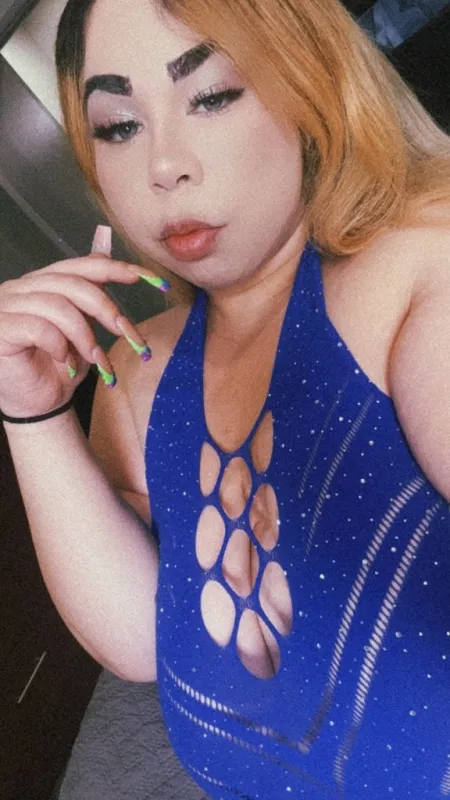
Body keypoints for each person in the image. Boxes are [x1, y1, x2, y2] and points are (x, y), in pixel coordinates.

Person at [0, 0, 449, 796]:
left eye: (210, 96)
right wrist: (29, 413)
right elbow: (136, 643)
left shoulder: (418, 264)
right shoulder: (138, 369)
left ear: (310, 84)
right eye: (118, 125)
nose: (163, 165)